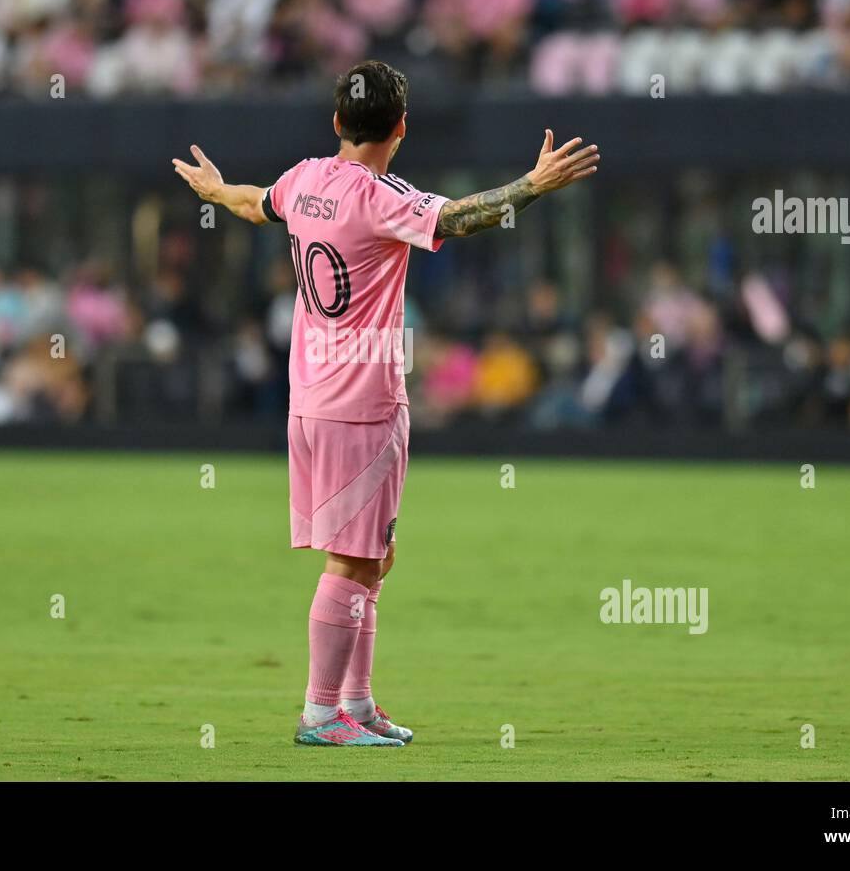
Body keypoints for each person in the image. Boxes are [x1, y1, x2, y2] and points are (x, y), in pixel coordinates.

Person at [172, 60, 599, 747]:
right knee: (352, 563)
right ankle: (320, 715)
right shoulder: (381, 197)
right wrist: (533, 185)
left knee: (374, 554)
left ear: (337, 122)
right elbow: (459, 219)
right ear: (401, 127)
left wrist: (216, 189)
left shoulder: (305, 178)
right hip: (363, 400)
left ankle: (358, 704)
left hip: (310, 397)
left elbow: (258, 203)